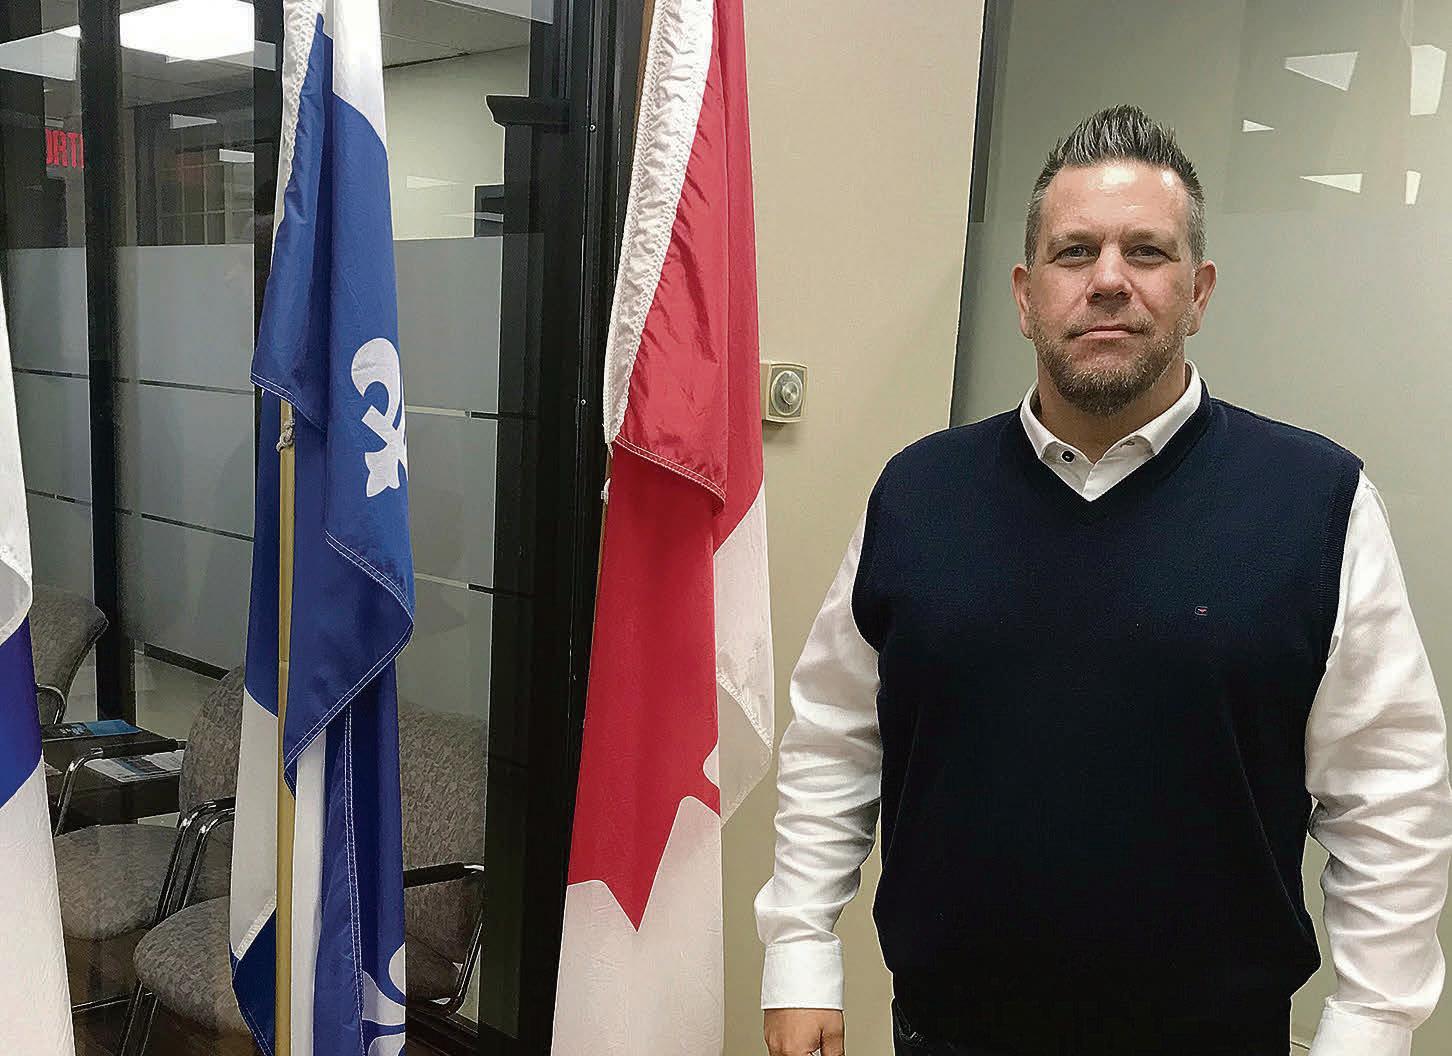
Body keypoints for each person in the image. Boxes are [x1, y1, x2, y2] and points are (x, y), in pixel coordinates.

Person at [755, 105, 1452, 1056]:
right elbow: (835, 741)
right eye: (1075, 252)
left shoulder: (1315, 502)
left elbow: (1388, 794)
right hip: (948, 1034)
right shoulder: (918, 494)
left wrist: (1371, 1024)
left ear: (1199, 292)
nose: (1110, 280)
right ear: (1025, 294)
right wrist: (799, 949)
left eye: (1148, 252)